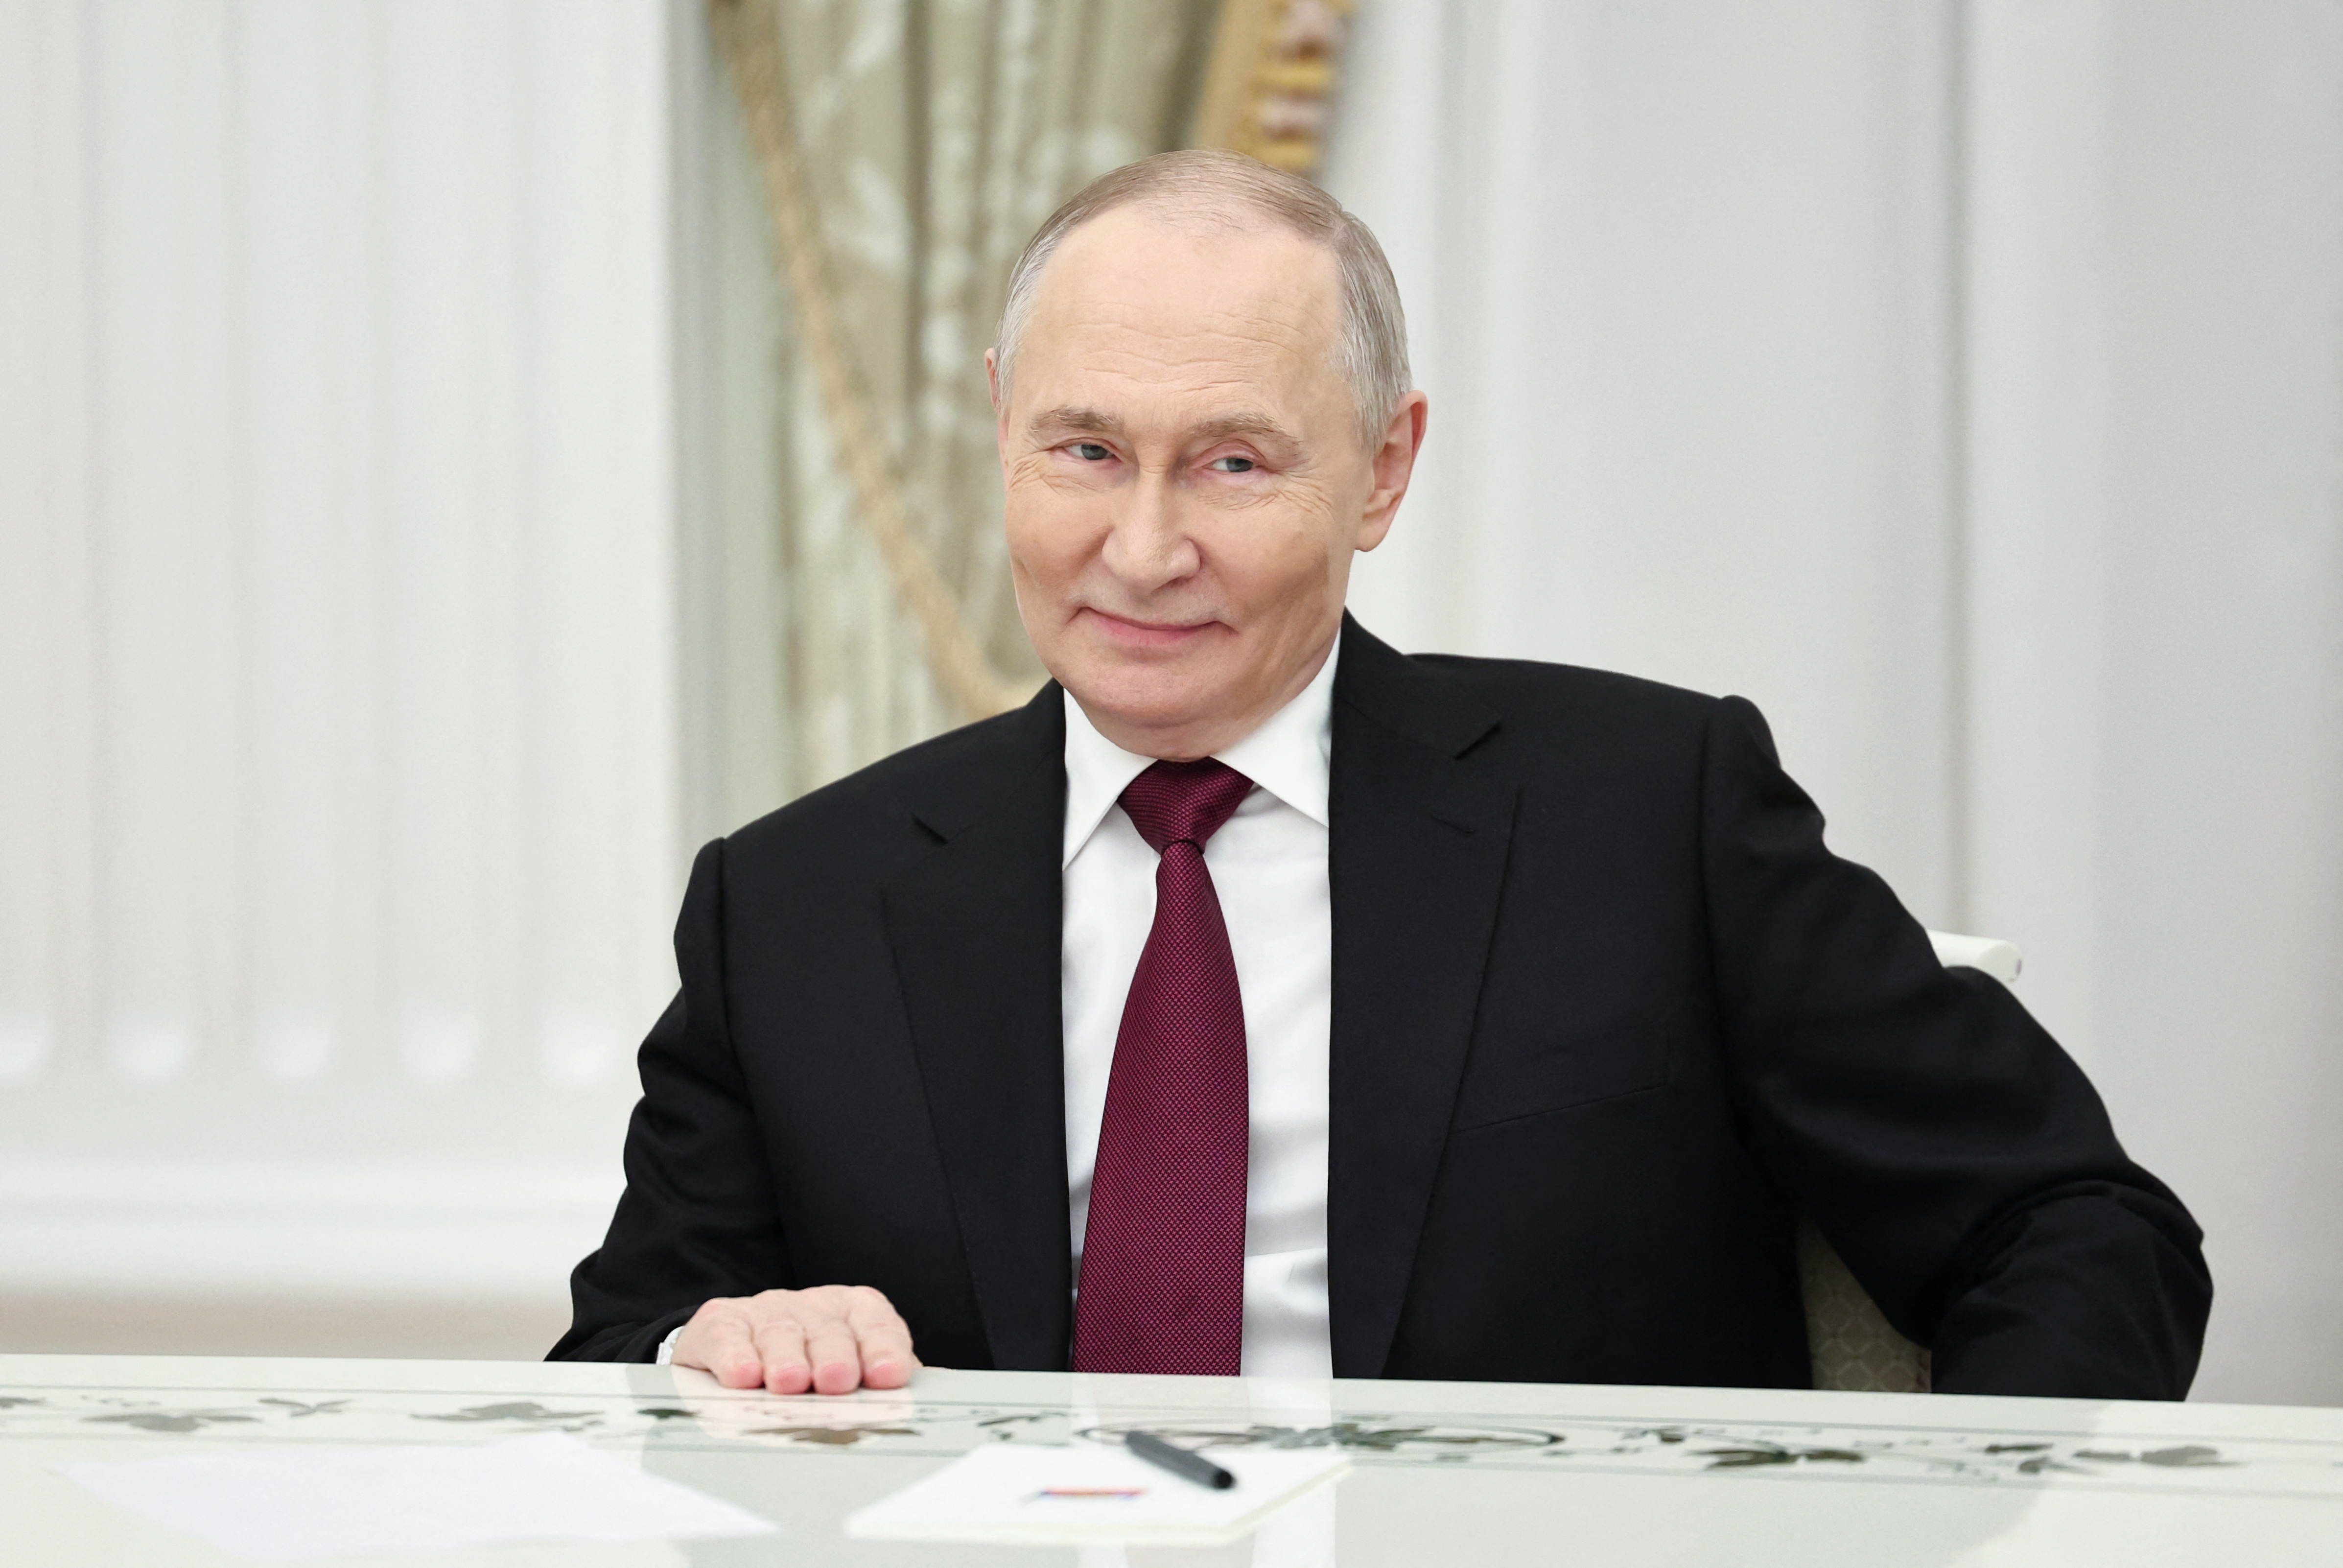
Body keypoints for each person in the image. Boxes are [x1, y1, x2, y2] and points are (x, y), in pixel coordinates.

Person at [552, 150, 2209, 1400]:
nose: (1143, 548)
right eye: (1085, 450)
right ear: (1001, 427)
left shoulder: (1654, 812)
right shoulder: (793, 902)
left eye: (1232, 461)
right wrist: (713, 1348)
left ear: (1382, 468)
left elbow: (2073, 1227)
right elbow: (623, 1345)